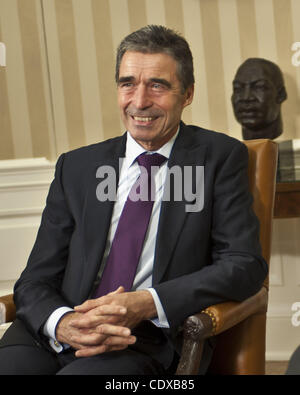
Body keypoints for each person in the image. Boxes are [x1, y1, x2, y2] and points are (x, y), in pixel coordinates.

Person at [0, 25, 267, 375]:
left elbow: (243, 265)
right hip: (54, 331)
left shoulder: (218, 158)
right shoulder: (77, 167)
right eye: (128, 83)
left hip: (142, 339)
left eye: (157, 85)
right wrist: (62, 322)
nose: (139, 102)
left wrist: (146, 303)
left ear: (187, 94)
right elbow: (35, 279)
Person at [231, 58, 287, 140]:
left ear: (281, 95)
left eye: (259, 87)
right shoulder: (224, 150)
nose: (246, 97)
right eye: (238, 88)